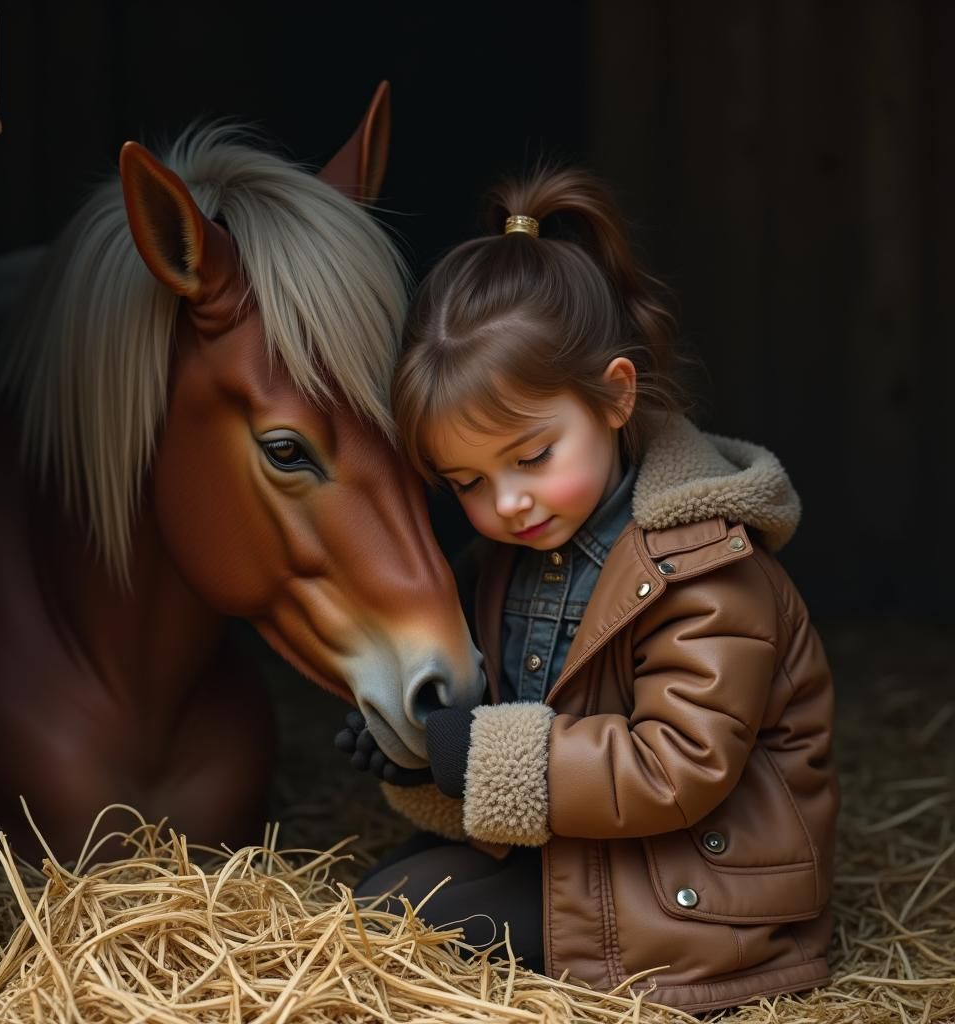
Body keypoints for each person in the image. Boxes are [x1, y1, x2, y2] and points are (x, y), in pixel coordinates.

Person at [336, 167, 838, 1015]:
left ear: (614, 395)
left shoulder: (709, 569)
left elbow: (677, 767)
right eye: (465, 481)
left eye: (531, 458)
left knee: (395, 924)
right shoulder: (511, 556)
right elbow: (506, 718)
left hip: (696, 897)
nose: (506, 504)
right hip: (588, 861)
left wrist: (478, 754)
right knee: (370, 901)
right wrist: (420, 756)